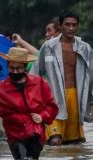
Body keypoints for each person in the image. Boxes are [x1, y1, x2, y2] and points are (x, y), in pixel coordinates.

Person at [0, 47, 58, 160]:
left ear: (25, 67)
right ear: (7, 66)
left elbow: (52, 107)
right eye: (12, 68)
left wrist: (42, 116)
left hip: (36, 133)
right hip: (14, 135)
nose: (15, 72)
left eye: (19, 68)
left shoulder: (40, 83)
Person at [31, 10, 93, 146]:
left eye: (74, 25)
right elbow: (35, 74)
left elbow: (91, 76)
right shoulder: (48, 47)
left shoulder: (85, 48)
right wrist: (33, 101)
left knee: (74, 144)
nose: (71, 28)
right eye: (67, 24)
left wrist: (91, 101)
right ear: (60, 26)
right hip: (53, 99)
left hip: (76, 98)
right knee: (55, 140)